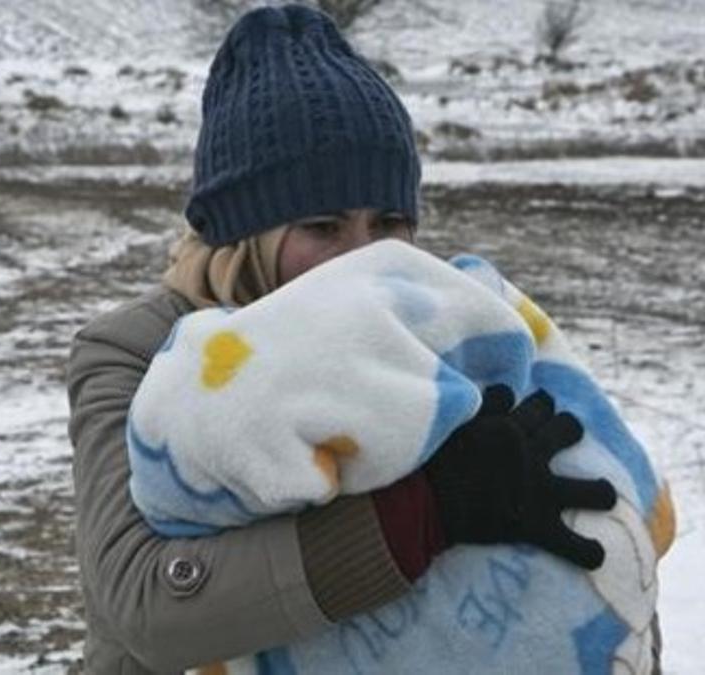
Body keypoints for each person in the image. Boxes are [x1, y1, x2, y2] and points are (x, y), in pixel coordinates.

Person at [65, 7, 643, 673]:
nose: (362, 257)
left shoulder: (434, 330)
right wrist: (430, 511)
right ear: (245, 234)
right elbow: (147, 607)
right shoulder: (131, 351)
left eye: (389, 221)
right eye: (323, 226)